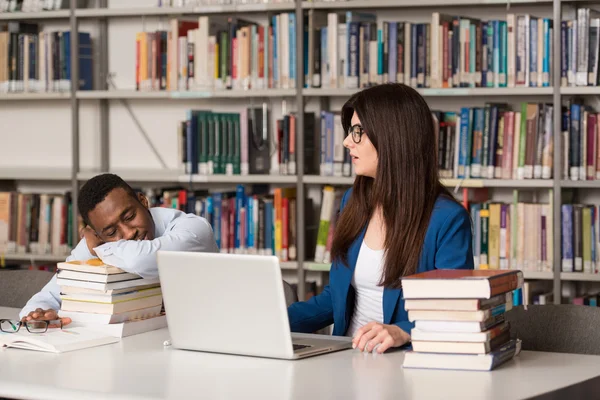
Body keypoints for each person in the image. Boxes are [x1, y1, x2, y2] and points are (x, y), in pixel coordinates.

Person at [287, 83, 474, 354]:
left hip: (404, 367)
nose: (346, 141)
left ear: (393, 137)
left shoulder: (446, 220)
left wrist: (402, 331)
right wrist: (274, 320)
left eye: (358, 132)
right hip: (345, 360)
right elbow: (336, 299)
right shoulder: (353, 200)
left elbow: (454, 310)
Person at [19, 173, 219, 324]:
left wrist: (102, 247)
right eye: (111, 231)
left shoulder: (193, 228)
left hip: (206, 336)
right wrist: (40, 314)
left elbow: (140, 260)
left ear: (143, 201)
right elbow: (51, 295)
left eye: (130, 217)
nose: (128, 233)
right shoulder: (99, 242)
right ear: (97, 233)